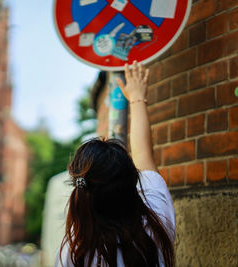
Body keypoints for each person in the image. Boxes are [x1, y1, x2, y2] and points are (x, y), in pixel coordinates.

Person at [55, 61, 175, 267]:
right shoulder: (156, 224)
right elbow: (143, 154)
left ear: (81, 192)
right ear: (133, 183)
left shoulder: (74, 253)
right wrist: (137, 98)